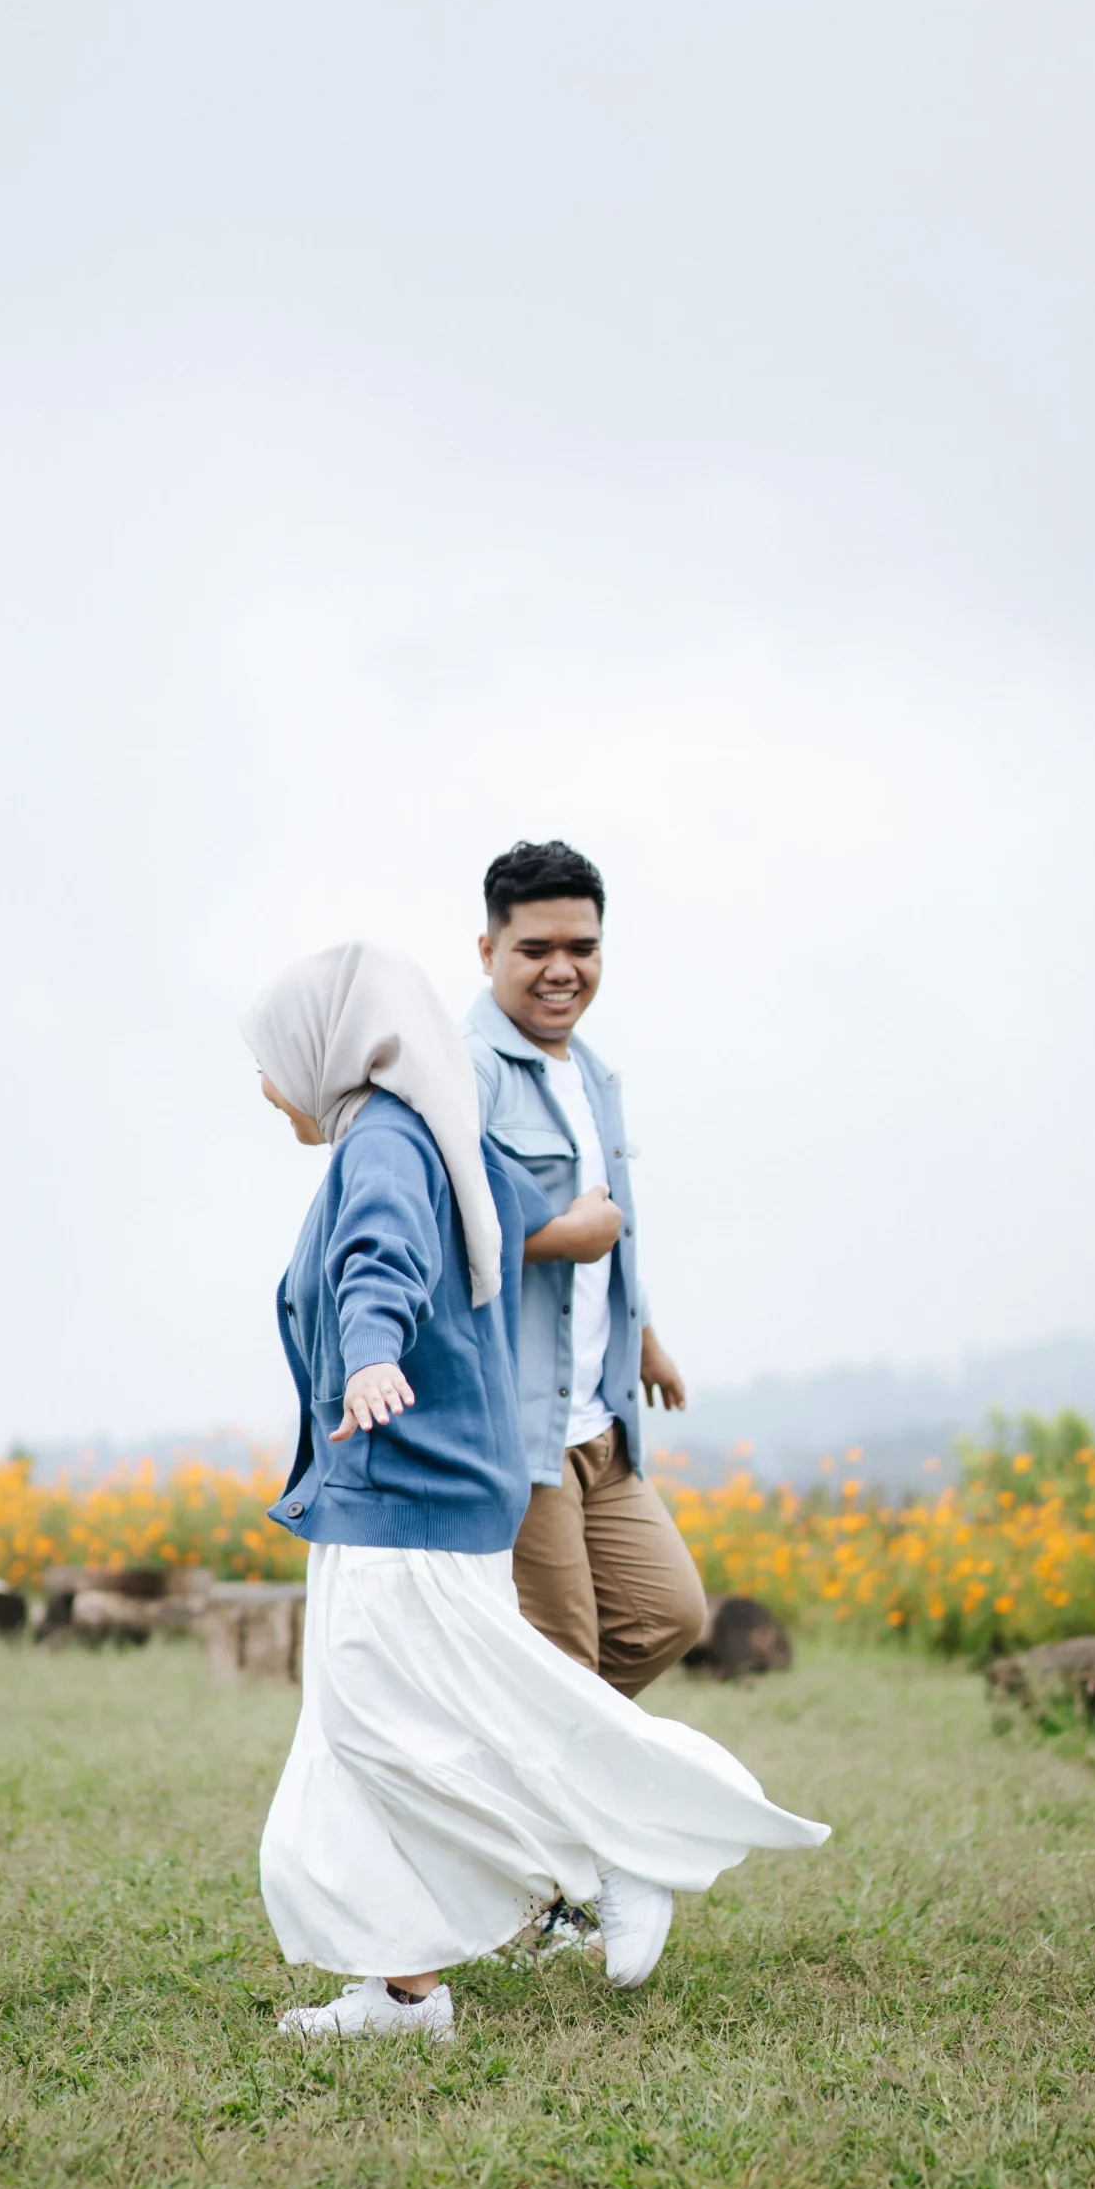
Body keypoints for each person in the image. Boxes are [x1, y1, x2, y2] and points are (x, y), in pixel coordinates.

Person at [244, 940, 828, 2043]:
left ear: (326, 1047)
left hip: (401, 1491)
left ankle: (610, 1850)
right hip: (424, 1489)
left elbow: (379, 1260)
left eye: (270, 1058)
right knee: (377, 1737)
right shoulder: (438, 1125)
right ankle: (405, 1994)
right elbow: (512, 1216)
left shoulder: (383, 1142)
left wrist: (370, 1353)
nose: (265, 1084)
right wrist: (586, 1229)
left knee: (391, 1732)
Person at [466, 841, 709, 1697]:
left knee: (666, 1616)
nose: (561, 970)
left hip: (600, 1420)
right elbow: (431, 1232)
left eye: (582, 948)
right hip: (521, 1428)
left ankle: (521, 1745)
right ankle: (533, 1759)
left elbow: (614, 1232)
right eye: (535, 949)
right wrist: (557, 1239)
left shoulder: (591, 1073)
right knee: (560, 1662)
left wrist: (644, 1338)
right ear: (488, 950)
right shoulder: (468, 1072)